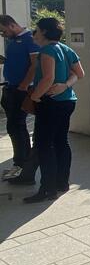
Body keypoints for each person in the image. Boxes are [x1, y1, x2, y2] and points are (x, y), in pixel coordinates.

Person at [24, 18, 84, 203]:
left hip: (50, 103)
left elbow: (47, 78)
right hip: (67, 101)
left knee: (43, 144)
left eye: (37, 30)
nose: (35, 33)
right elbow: (79, 74)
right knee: (60, 141)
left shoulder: (46, 51)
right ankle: (61, 183)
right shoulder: (67, 49)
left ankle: (47, 189)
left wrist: (34, 97)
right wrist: (65, 85)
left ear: (43, 32)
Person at [0, 15, 39, 183]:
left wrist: (23, 85)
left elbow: (34, 64)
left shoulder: (30, 39)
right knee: (13, 127)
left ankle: (23, 165)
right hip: (10, 87)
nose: (3, 34)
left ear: (11, 25)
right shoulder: (12, 41)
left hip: (20, 89)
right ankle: (20, 163)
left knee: (17, 127)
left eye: (3, 31)